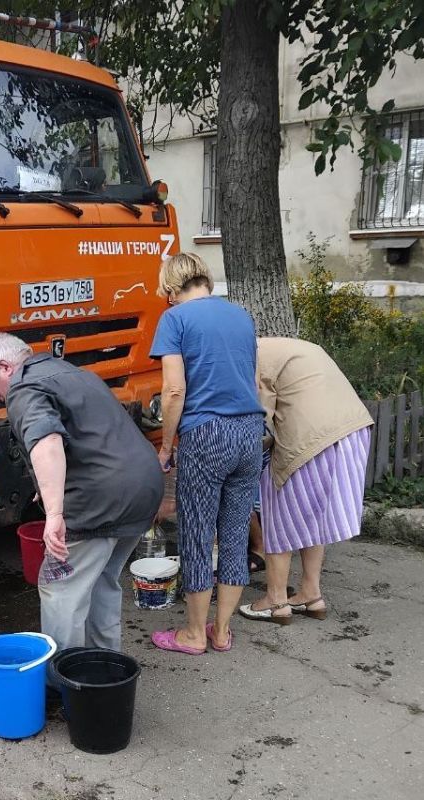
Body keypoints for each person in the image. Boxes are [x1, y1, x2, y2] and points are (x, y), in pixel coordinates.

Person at [0, 333, 163, 654]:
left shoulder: (23, 389)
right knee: (101, 579)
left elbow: (47, 442)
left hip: (100, 501)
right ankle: (101, 670)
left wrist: (55, 514)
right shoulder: (74, 374)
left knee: (60, 587)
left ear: (6, 367)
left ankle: (64, 681)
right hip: (144, 489)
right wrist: (47, 490)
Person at [149, 252, 264, 655]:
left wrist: (166, 446)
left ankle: (194, 634)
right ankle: (222, 630)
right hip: (249, 430)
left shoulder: (175, 320)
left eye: (167, 293)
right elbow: (253, 381)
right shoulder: (241, 317)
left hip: (206, 433)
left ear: (171, 287)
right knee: (234, 534)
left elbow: (174, 390)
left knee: (197, 536)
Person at [239, 337, 374, 624]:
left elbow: (259, 419)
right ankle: (311, 594)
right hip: (352, 431)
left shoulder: (250, 357)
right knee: (314, 518)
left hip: (311, 440)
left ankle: (275, 601)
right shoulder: (291, 347)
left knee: (279, 516)